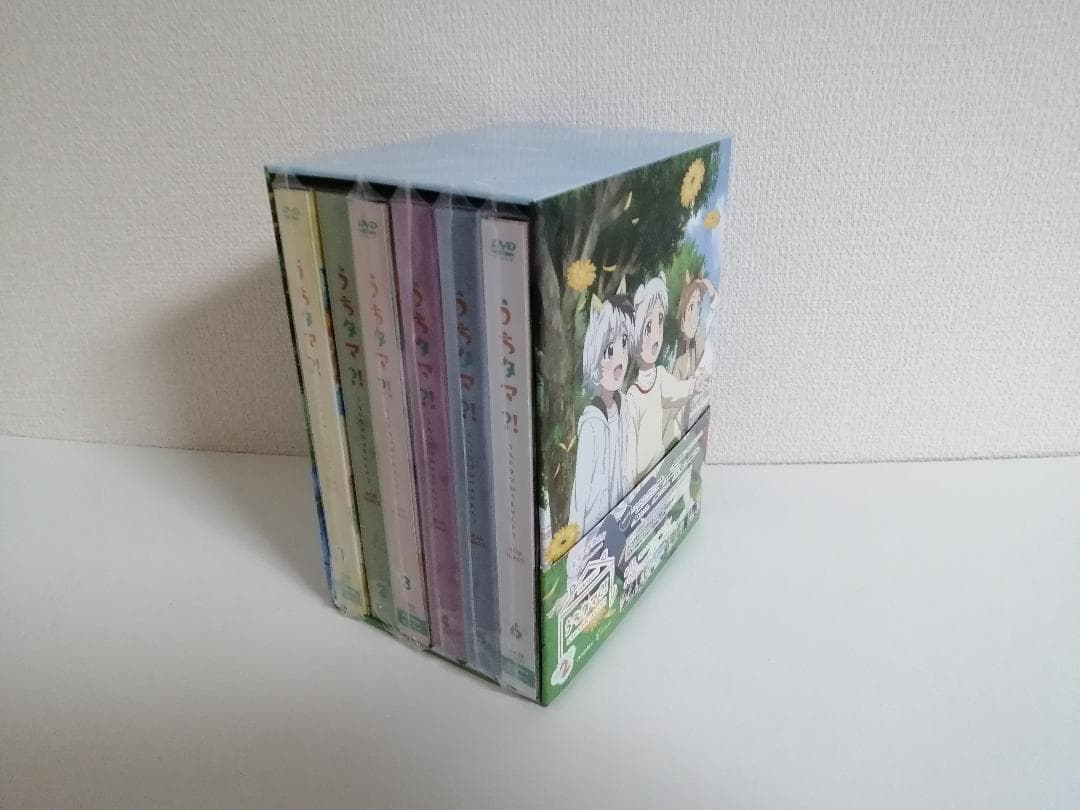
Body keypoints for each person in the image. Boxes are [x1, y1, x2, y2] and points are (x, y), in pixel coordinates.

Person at [568, 291, 634, 537]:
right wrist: (576, 551)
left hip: (618, 522)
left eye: (624, 344)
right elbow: (580, 495)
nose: (619, 360)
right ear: (596, 356)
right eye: (609, 350)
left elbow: (625, 468)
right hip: (593, 533)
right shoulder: (591, 424)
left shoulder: (624, 408)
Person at [624, 275, 696, 487]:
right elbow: (629, 460)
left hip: (659, 470)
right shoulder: (632, 397)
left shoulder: (661, 376)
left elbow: (678, 391)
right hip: (640, 484)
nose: (655, 335)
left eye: (660, 320)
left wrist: (695, 384)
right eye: (648, 327)